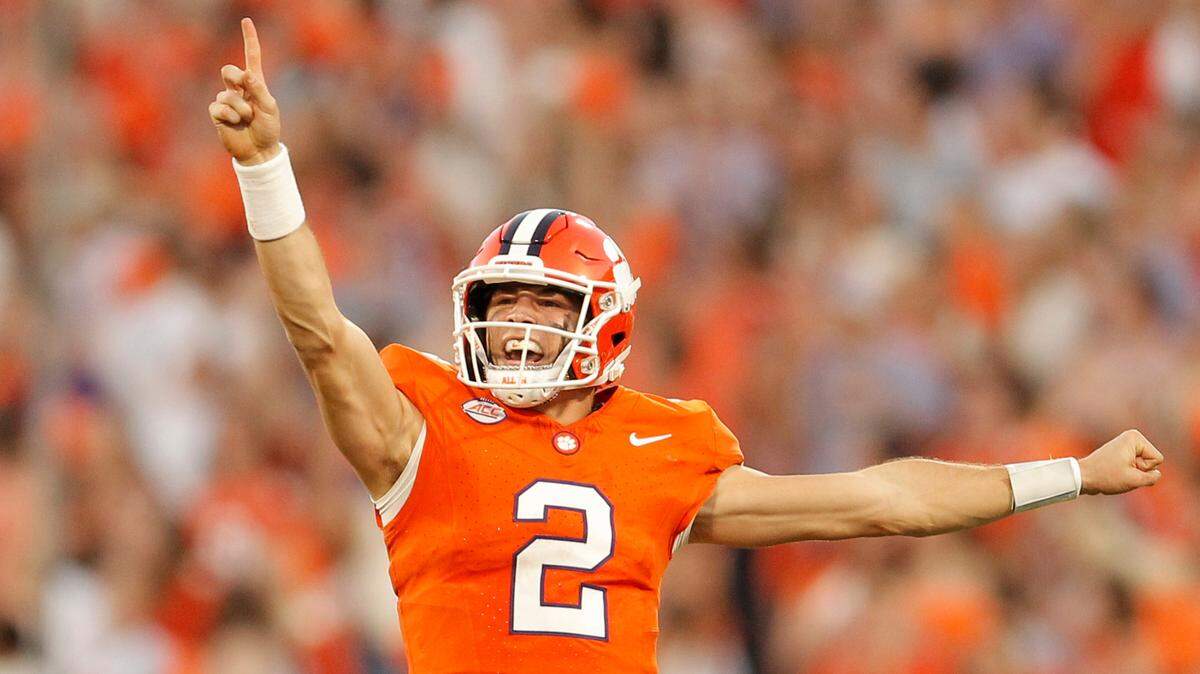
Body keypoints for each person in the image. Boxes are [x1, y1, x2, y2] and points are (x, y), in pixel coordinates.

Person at [209, 18, 1165, 673]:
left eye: (547, 306)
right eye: (504, 302)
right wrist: (264, 166)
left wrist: (1070, 474)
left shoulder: (664, 447)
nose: (517, 325)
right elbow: (322, 336)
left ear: (607, 323)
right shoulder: (426, 425)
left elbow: (883, 500)